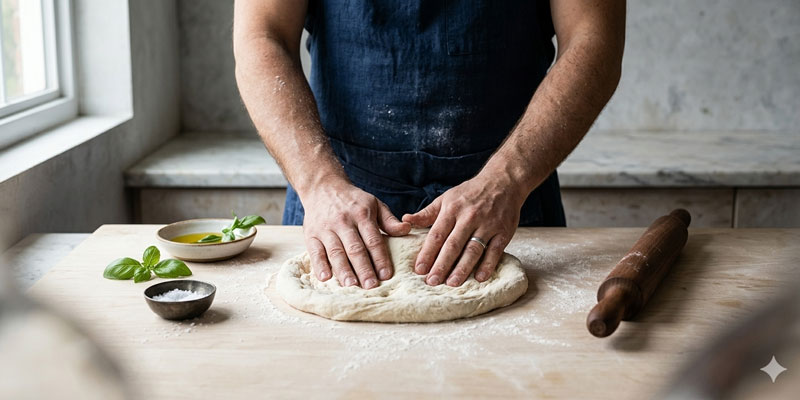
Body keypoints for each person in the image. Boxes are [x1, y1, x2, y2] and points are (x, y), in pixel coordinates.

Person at [234, 1, 625, 289]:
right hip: (335, 206)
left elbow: (593, 40)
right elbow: (261, 35)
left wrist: (507, 180)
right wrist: (319, 184)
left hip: (507, 202)